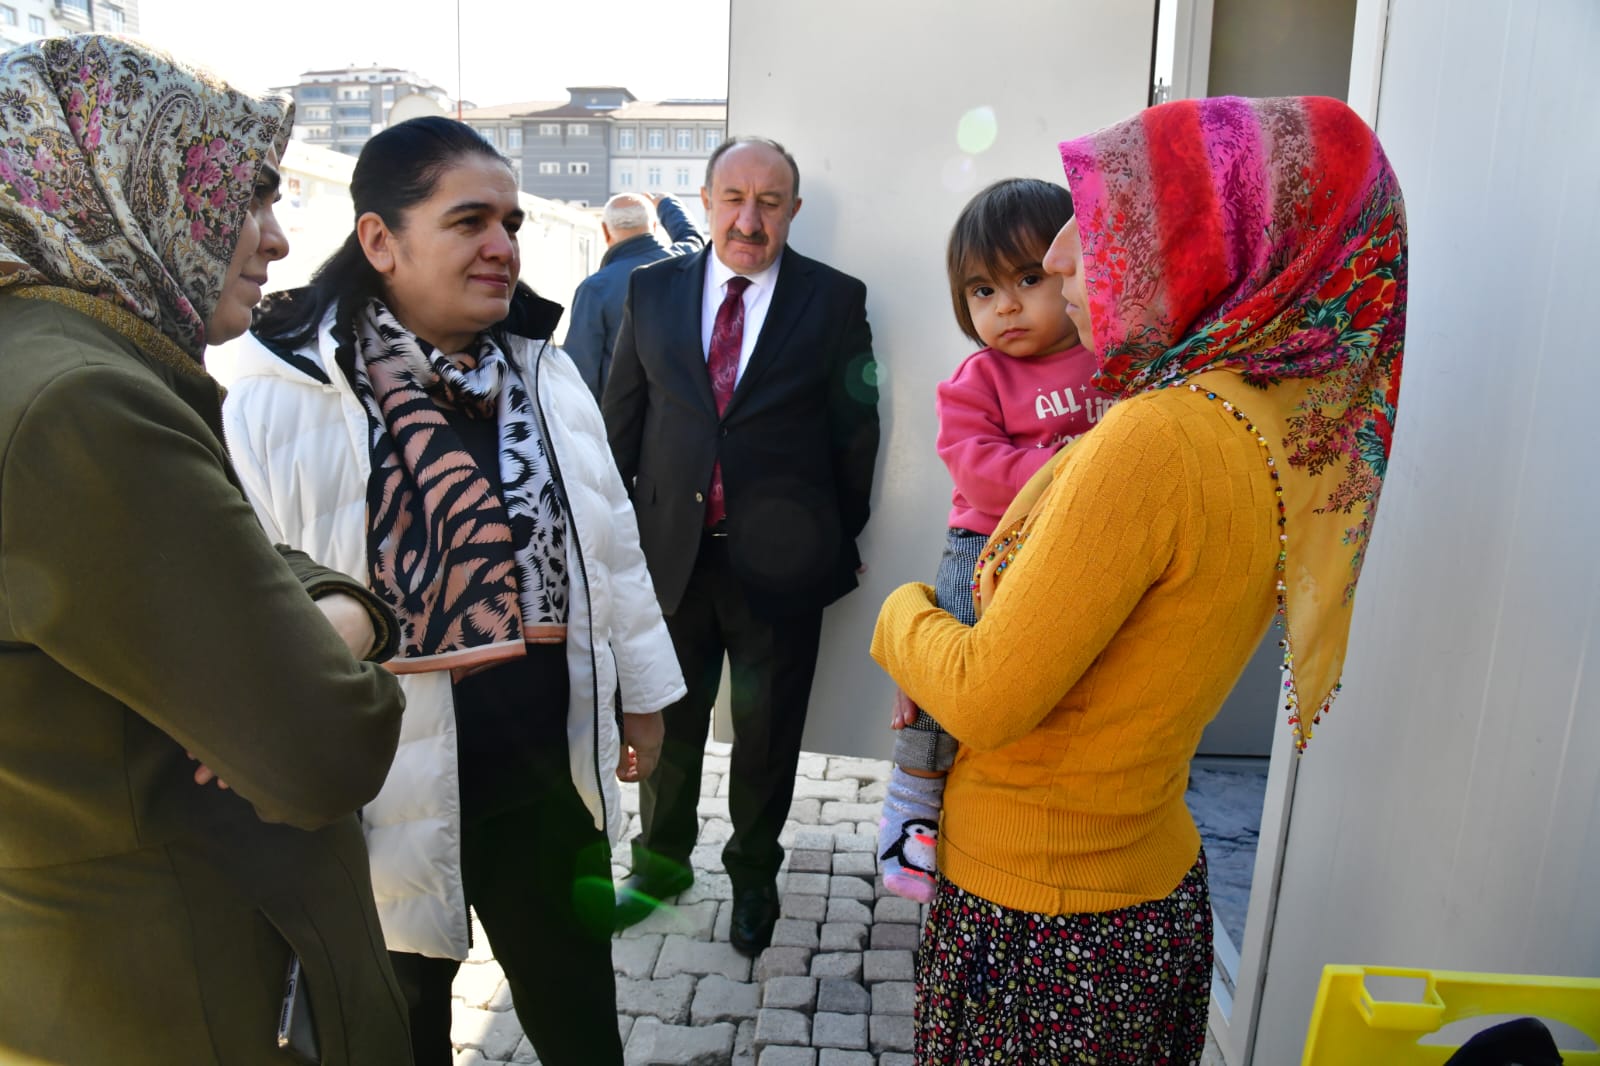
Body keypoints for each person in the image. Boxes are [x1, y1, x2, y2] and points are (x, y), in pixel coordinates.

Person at [871, 95, 1406, 1063]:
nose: (1069, 257)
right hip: (1137, 884)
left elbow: (986, 694)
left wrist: (899, 612)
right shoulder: (1265, 414)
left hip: (1046, 918)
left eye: (1114, 216)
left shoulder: (1155, 435)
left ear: (1217, 241)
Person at [220, 116, 686, 1066]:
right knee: (399, 1033)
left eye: (510, 222)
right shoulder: (282, 392)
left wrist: (644, 689)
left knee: (578, 1023)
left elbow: (612, 543)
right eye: (469, 220)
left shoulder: (546, 373)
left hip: (543, 777)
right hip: (381, 792)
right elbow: (248, 603)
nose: (503, 247)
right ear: (380, 241)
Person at [0, 36, 411, 1064]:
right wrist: (344, 618)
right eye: (239, 194)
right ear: (118, 180)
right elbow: (321, 742)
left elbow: (232, 575)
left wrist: (322, 607)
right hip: (189, 993)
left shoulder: (52, 365)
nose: (274, 239)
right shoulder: (83, 403)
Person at [604, 136, 880, 955]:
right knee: (670, 724)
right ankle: (659, 864)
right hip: (670, 561)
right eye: (733, 197)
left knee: (767, 736)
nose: (749, 219)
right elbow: (621, 423)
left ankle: (754, 874)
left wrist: (835, 540)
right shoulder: (652, 294)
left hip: (780, 569)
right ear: (705, 198)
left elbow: (856, 432)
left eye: (769, 201)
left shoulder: (833, 300)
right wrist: (612, 544)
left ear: (793, 210)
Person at [877, 177, 1114, 902]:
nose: (1005, 305)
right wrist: (1073, 472)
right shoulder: (979, 376)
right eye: (982, 291)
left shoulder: (1113, 361)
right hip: (982, 548)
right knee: (946, 671)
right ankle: (912, 805)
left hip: (1079, 549)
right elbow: (979, 474)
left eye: (1028, 279)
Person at [566, 191, 705, 399]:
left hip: (618, 421)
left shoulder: (595, 289)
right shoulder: (685, 263)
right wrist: (665, 203)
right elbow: (693, 239)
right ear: (655, 228)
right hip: (678, 417)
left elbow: (580, 374)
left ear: (605, 231)